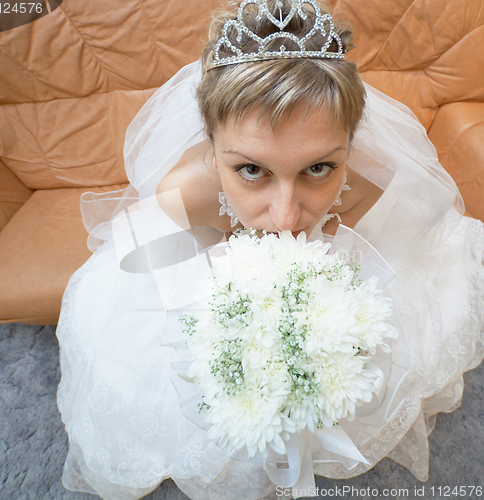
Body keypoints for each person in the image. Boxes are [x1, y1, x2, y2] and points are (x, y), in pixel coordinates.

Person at [55, 0, 484, 498]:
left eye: (319, 168)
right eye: (251, 170)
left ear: (348, 146)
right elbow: (140, 274)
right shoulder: (186, 194)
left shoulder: (368, 183)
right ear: (211, 149)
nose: (285, 217)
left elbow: (392, 260)